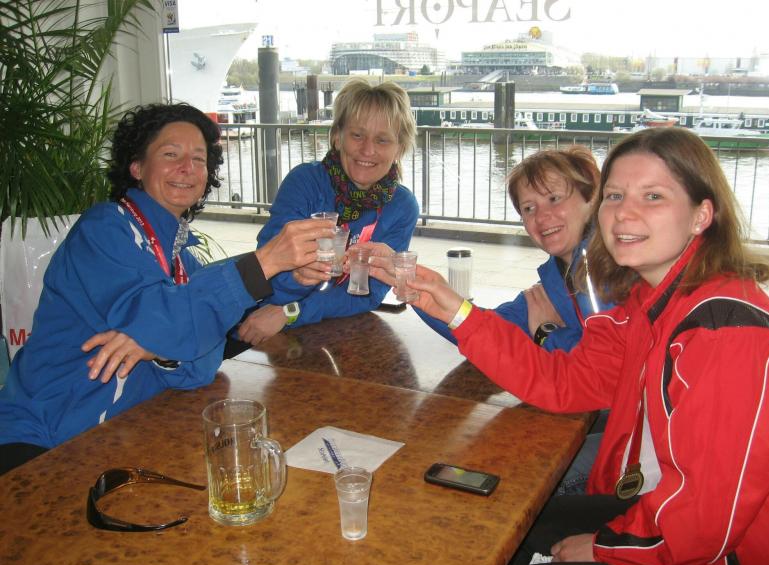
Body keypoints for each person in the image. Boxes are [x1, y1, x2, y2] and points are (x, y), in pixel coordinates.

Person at [372, 127, 769, 565]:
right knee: (495, 521)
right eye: (616, 195)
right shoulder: (648, 304)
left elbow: (708, 517)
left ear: (701, 215)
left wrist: (606, 546)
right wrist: (453, 307)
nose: (624, 213)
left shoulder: (727, 333)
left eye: (653, 196)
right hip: (663, 511)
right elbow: (566, 383)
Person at [0, 103, 329, 475]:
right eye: (171, 154)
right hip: (42, 437)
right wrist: (263, 264)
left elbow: (200, 368)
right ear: (137, 167)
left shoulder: (184, 261)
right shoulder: (104, 230)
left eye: (199, 159)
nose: (187, 167)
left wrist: (157, 345)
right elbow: (160, 317)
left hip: (117, 437)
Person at [237, 77, 419, 345]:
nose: (367, 150)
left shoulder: (402, 207)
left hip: (335, 332)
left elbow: (367, 295)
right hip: (265, 331)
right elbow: (266, 277)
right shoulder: (305, 183)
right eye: (357, 135)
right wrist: (297, 278)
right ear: (337, 137)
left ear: (399, 148)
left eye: (382, 140)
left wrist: (293, 313)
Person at [417, 146, 613, 354]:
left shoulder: (605, 267)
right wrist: (424, 290)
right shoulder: (554, 278)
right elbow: (494, 330)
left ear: (591, 199)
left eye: (554, 198)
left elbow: (608, 361)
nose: (541, 216)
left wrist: (545, 332)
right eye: (529, 208)